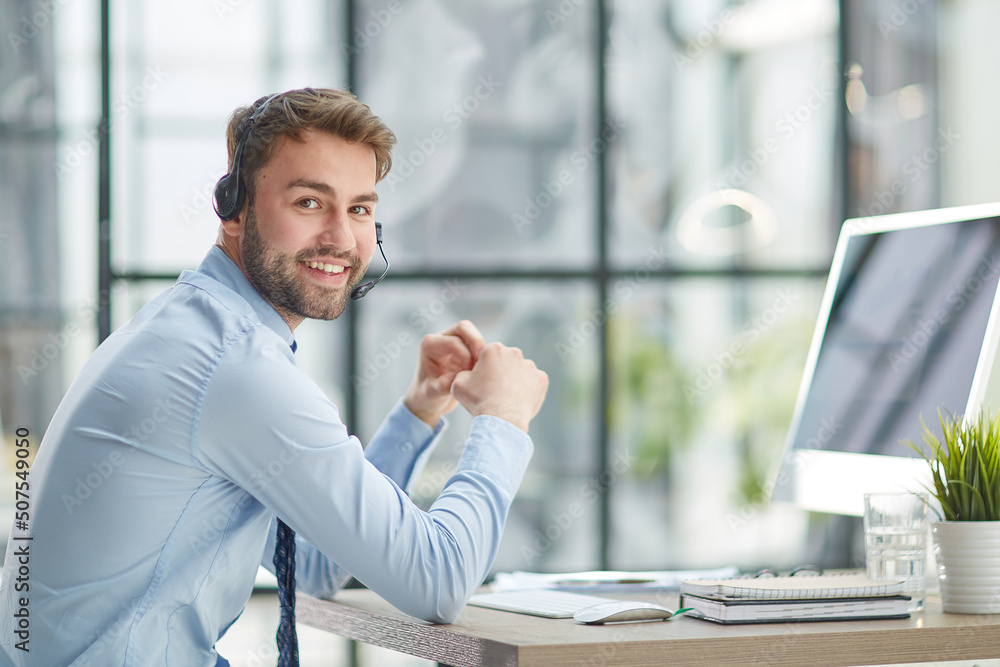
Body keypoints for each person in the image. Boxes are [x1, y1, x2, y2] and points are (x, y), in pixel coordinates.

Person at [0, 88, 548, 666]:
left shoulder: (193, 330)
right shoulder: (232, 366)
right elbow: (439, 581)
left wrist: (417, 414)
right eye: (310, 202)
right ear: (233, 207)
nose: (341, 237)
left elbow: (311, 565)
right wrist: (503, 419)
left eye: (360, 208)